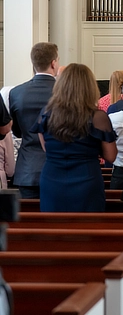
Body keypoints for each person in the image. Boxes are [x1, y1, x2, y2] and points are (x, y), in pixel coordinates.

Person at [33, 63, 117, 212]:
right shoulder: (97, 117)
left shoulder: (46, 114)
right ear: (90, 87)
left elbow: (46, 148)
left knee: (53, 230)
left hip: (52, 178)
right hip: (87, 179)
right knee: (87, 229)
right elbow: (110, 156)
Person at [9, 42, 58, 199]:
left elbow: (17, 131)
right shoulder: (64, 92)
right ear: (53, 63)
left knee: (29, 221)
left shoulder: (17, 93)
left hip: (27, 169)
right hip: (58, 166)